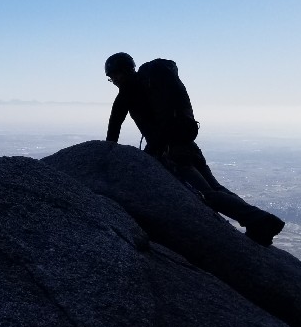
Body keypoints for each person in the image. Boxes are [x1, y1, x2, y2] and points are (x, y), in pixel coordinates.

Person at [105, 52, 285, 247]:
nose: (113, 80)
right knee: (216, 188)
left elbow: (115, 124)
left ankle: (263, 221)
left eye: (113, 75)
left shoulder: (128, 90)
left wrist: (107, 154)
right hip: (189, 144)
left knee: (207, 194)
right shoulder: (151, 83)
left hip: (171, 152)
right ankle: (259, 224)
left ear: (123, 72)